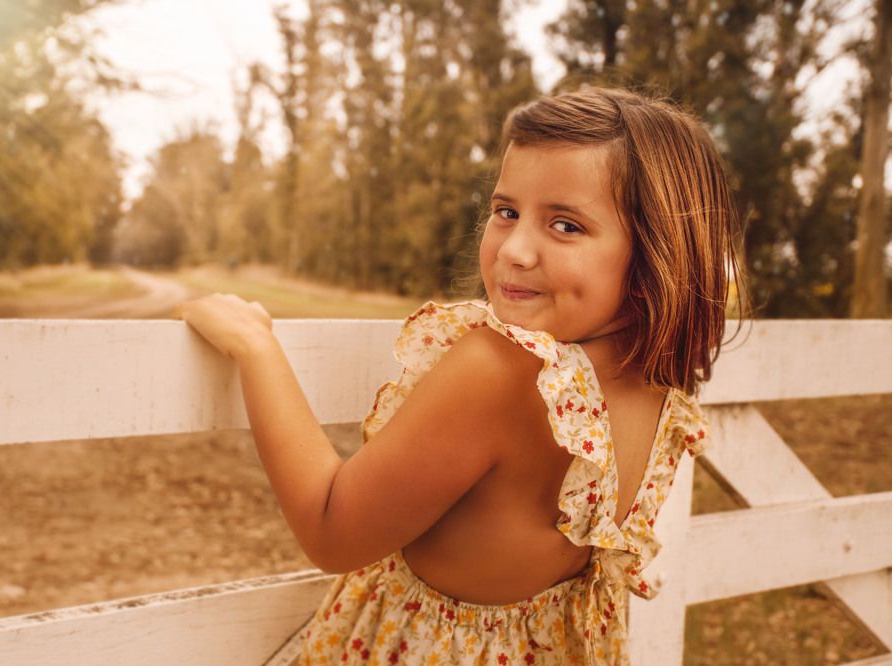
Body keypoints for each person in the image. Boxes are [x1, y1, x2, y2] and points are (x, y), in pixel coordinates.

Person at [175, 86, 744, 665]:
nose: (515, 250)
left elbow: (331, 529)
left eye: (566, 226)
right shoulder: (658, 393)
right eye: (506, 212)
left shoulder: (498, 369)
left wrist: (255, 348)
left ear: (656, 251)